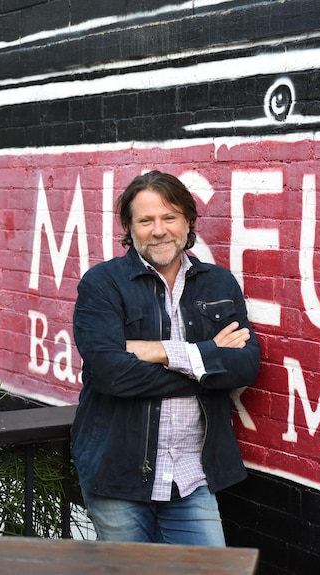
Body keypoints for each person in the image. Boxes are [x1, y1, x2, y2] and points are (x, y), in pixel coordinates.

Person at [71, 170, 261, 547]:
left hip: (193, 474)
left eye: (169, 217)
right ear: (130, 226)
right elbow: (111, 375)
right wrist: (208, 362)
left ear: (188, 221)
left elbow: (245, 365)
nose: (159, 230)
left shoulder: (219, 284)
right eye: (146, 220)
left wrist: (153, 350)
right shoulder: (102, 285)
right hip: (118, 475)